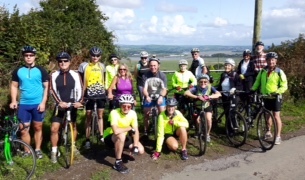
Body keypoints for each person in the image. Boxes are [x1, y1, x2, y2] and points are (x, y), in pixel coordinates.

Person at [10, 45, 49, 159]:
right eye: (26, 55)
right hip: (24, 104)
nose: (28, 57)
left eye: (31, 55)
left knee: (38, 127)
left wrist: (43, 103)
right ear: (23, 57)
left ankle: (37, 149)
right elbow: (14, 86)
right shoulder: (18, 71)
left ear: (35, 56)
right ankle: (27, 151)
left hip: (37, 103)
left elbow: (47, 87)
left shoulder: (41, 70)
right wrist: (13, 100)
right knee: (23, 129)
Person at [49, 52, 83, 163]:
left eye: (65, 61)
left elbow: (81, 89)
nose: (63, 63)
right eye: (60, 61)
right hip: (60, 105)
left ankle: (73, 146)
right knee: (54, 128)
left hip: (72, 105)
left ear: (69, 62)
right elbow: (52, 90)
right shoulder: (54, 75)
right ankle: (54, 151)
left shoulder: (75, 74)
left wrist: (79, 102)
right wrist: (59, 102)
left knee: (73, 127)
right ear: (58, 63)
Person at [251, 52, 288, 145]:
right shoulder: (263, 71)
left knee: (276, 116)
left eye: (273, 60)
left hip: (275, 97)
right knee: (267, 116)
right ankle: (268, 131)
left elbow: (284, 85)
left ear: (275, 61)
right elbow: (257, 82)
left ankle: (278, 136)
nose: (271, 62)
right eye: (269, 60)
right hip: (266, 96)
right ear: (266, 61)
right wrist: (252, 90)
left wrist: (277, 92)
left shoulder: (279, 72)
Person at [104, 94, 144, 174]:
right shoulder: (114, 112)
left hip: (123, 137)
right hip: (110, 137)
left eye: (128, 106)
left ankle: (120, 149)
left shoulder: (133, 113)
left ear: (131, 106)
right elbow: (115, 131)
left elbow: (136, 130)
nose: (126, 108)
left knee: (140, 150)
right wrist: (129, 127)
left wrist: (135, 146)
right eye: (123, 106)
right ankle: (118, 162)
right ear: (120, 105)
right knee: (121, 135)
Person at [78, 47, 106, 149]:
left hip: (100, 92)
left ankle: (102, 136)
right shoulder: (84, 66)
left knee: (100, 115)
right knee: (88, 116)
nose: (95, 57)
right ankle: (87, 139)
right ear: (90, 56)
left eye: (97, 55)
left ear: (100, 56)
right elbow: (80, 80)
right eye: (93, 55)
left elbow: (104, 79)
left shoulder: (102, 66)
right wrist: (81, 94)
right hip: (88, 92)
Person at [184, 74, 221, 142]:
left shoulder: (210, 87)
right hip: (198, 107)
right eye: (201, 82)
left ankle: (207, 134)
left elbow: (218, 94)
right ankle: (198, 131)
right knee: (197, 121)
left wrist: (209, 97)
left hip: (207, 106)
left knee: (209, 119)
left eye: (205, 82)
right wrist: (197, 97)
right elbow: (186, 92)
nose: (203, 83)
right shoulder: (195, 88)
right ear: (198, 82)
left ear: (208, 82)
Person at [142, 57, 167, 136]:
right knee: (146, 112)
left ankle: (163, 128)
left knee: (162, 111)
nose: (153, 67)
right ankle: (146, 130)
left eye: (154, 65)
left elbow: (164, 89)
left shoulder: (162, 75)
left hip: (160, 95)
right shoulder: (145, 75)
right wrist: (146, 96)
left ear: (158, 65)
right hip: (149, 95)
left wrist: (161, 97)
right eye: (151, 65)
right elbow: (145, 89)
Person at [216, 58, 242, 132]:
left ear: (232, 67)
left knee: (232, 112)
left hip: (233, 96)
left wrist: (234, 89)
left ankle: (234, 128)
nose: (226, 67)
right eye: (225, 65)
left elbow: (240, 86)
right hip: (224, 96)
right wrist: (216, 91)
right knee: (227, 113)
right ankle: (228, 129)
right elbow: (220, 86)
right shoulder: (223, 75)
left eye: (228, 65)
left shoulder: (236, 75)